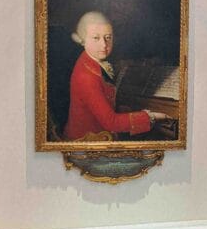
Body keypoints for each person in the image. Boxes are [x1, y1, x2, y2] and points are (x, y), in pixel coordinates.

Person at [63, 11, 167, 140]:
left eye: (108, 37)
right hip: (86, 141)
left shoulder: (89, 60)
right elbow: (111, 122)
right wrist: (150, 117)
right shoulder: (86, 77)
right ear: (83, 40)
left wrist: (124, 110)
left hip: (97, 132)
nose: (104, 45)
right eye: (96, 38)